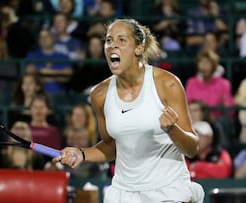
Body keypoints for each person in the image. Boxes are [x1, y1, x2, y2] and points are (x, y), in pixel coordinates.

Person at [53, 18, 205, 203]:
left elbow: (192, 148)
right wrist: (82, 153)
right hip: (125, 194)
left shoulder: (167, 83)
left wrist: (172, 130)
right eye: (109, 41)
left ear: (139, 49)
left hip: (168, 191)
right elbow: (111, 146)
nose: (112, 46)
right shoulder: (99, 95)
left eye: (121, 40)